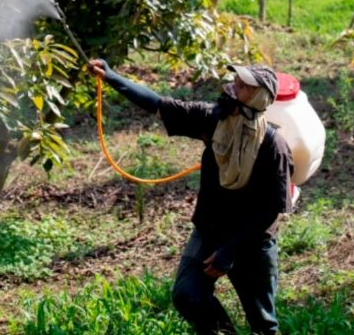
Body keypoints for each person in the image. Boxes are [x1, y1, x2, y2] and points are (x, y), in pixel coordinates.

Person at [88, 59, 293, 335]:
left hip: (251, 242)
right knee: (187, 296)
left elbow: (270, 209)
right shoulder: (213, 119)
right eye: (235, 82)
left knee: (263, 325)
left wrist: (229, 253)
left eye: (242, 86)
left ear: (258, 96)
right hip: (210, 230)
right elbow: (158, 104)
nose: (232, 88)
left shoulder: (273, 145)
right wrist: (112, 76)